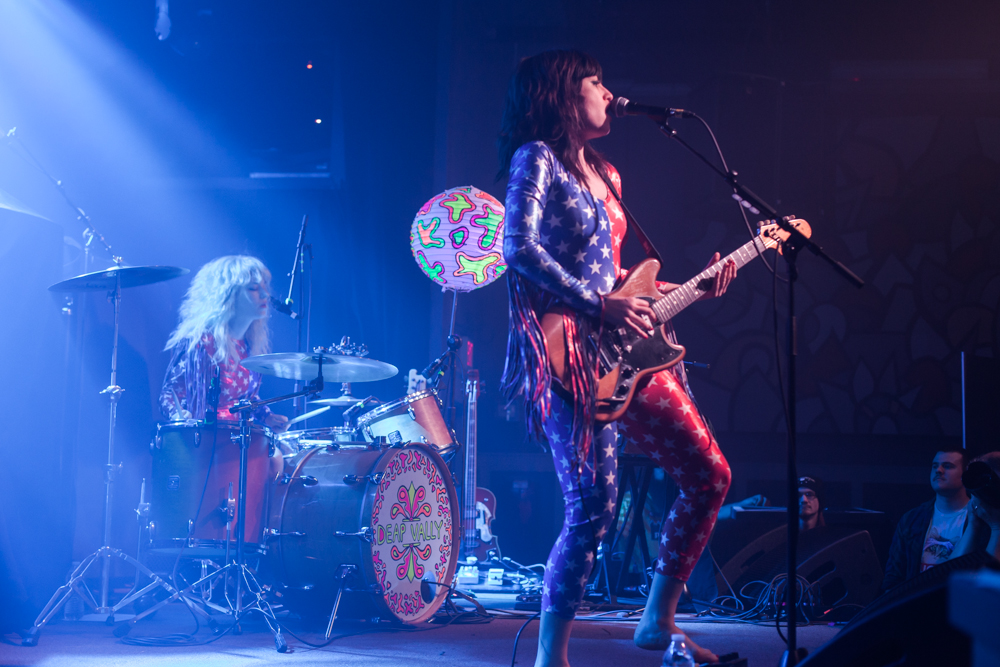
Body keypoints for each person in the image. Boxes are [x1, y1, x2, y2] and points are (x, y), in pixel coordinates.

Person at [498, 50, 736, 666]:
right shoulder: (537, 160)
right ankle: (552, 656)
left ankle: (658, 621)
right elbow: (516, 247)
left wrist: (686, 285)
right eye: (595, 82)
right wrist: (595, 303)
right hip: (569, 351)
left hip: (627, 350)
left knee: (709, 475)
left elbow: (618, 277)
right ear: (561, 97)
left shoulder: (609, 174)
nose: (609, 92)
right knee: (592, 507)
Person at [159, 255, 288, 432]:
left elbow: (246, 400)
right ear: (228, 295)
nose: (266, 294)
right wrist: (180, 418)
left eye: (265, 287)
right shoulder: (201, 343)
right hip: (208, 443)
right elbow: (168, 395)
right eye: (253, 288)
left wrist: (267, 416)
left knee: (277, 457)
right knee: (275, 459)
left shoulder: (248, 344)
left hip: (241, 438)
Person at [881, 447, 981, 593]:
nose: (938, 470)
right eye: (935, 466)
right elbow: (894, 577)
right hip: (919, 608)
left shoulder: (981, 517)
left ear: (965, 474)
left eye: (947, 466)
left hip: (962, 607)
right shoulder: (912, 520)